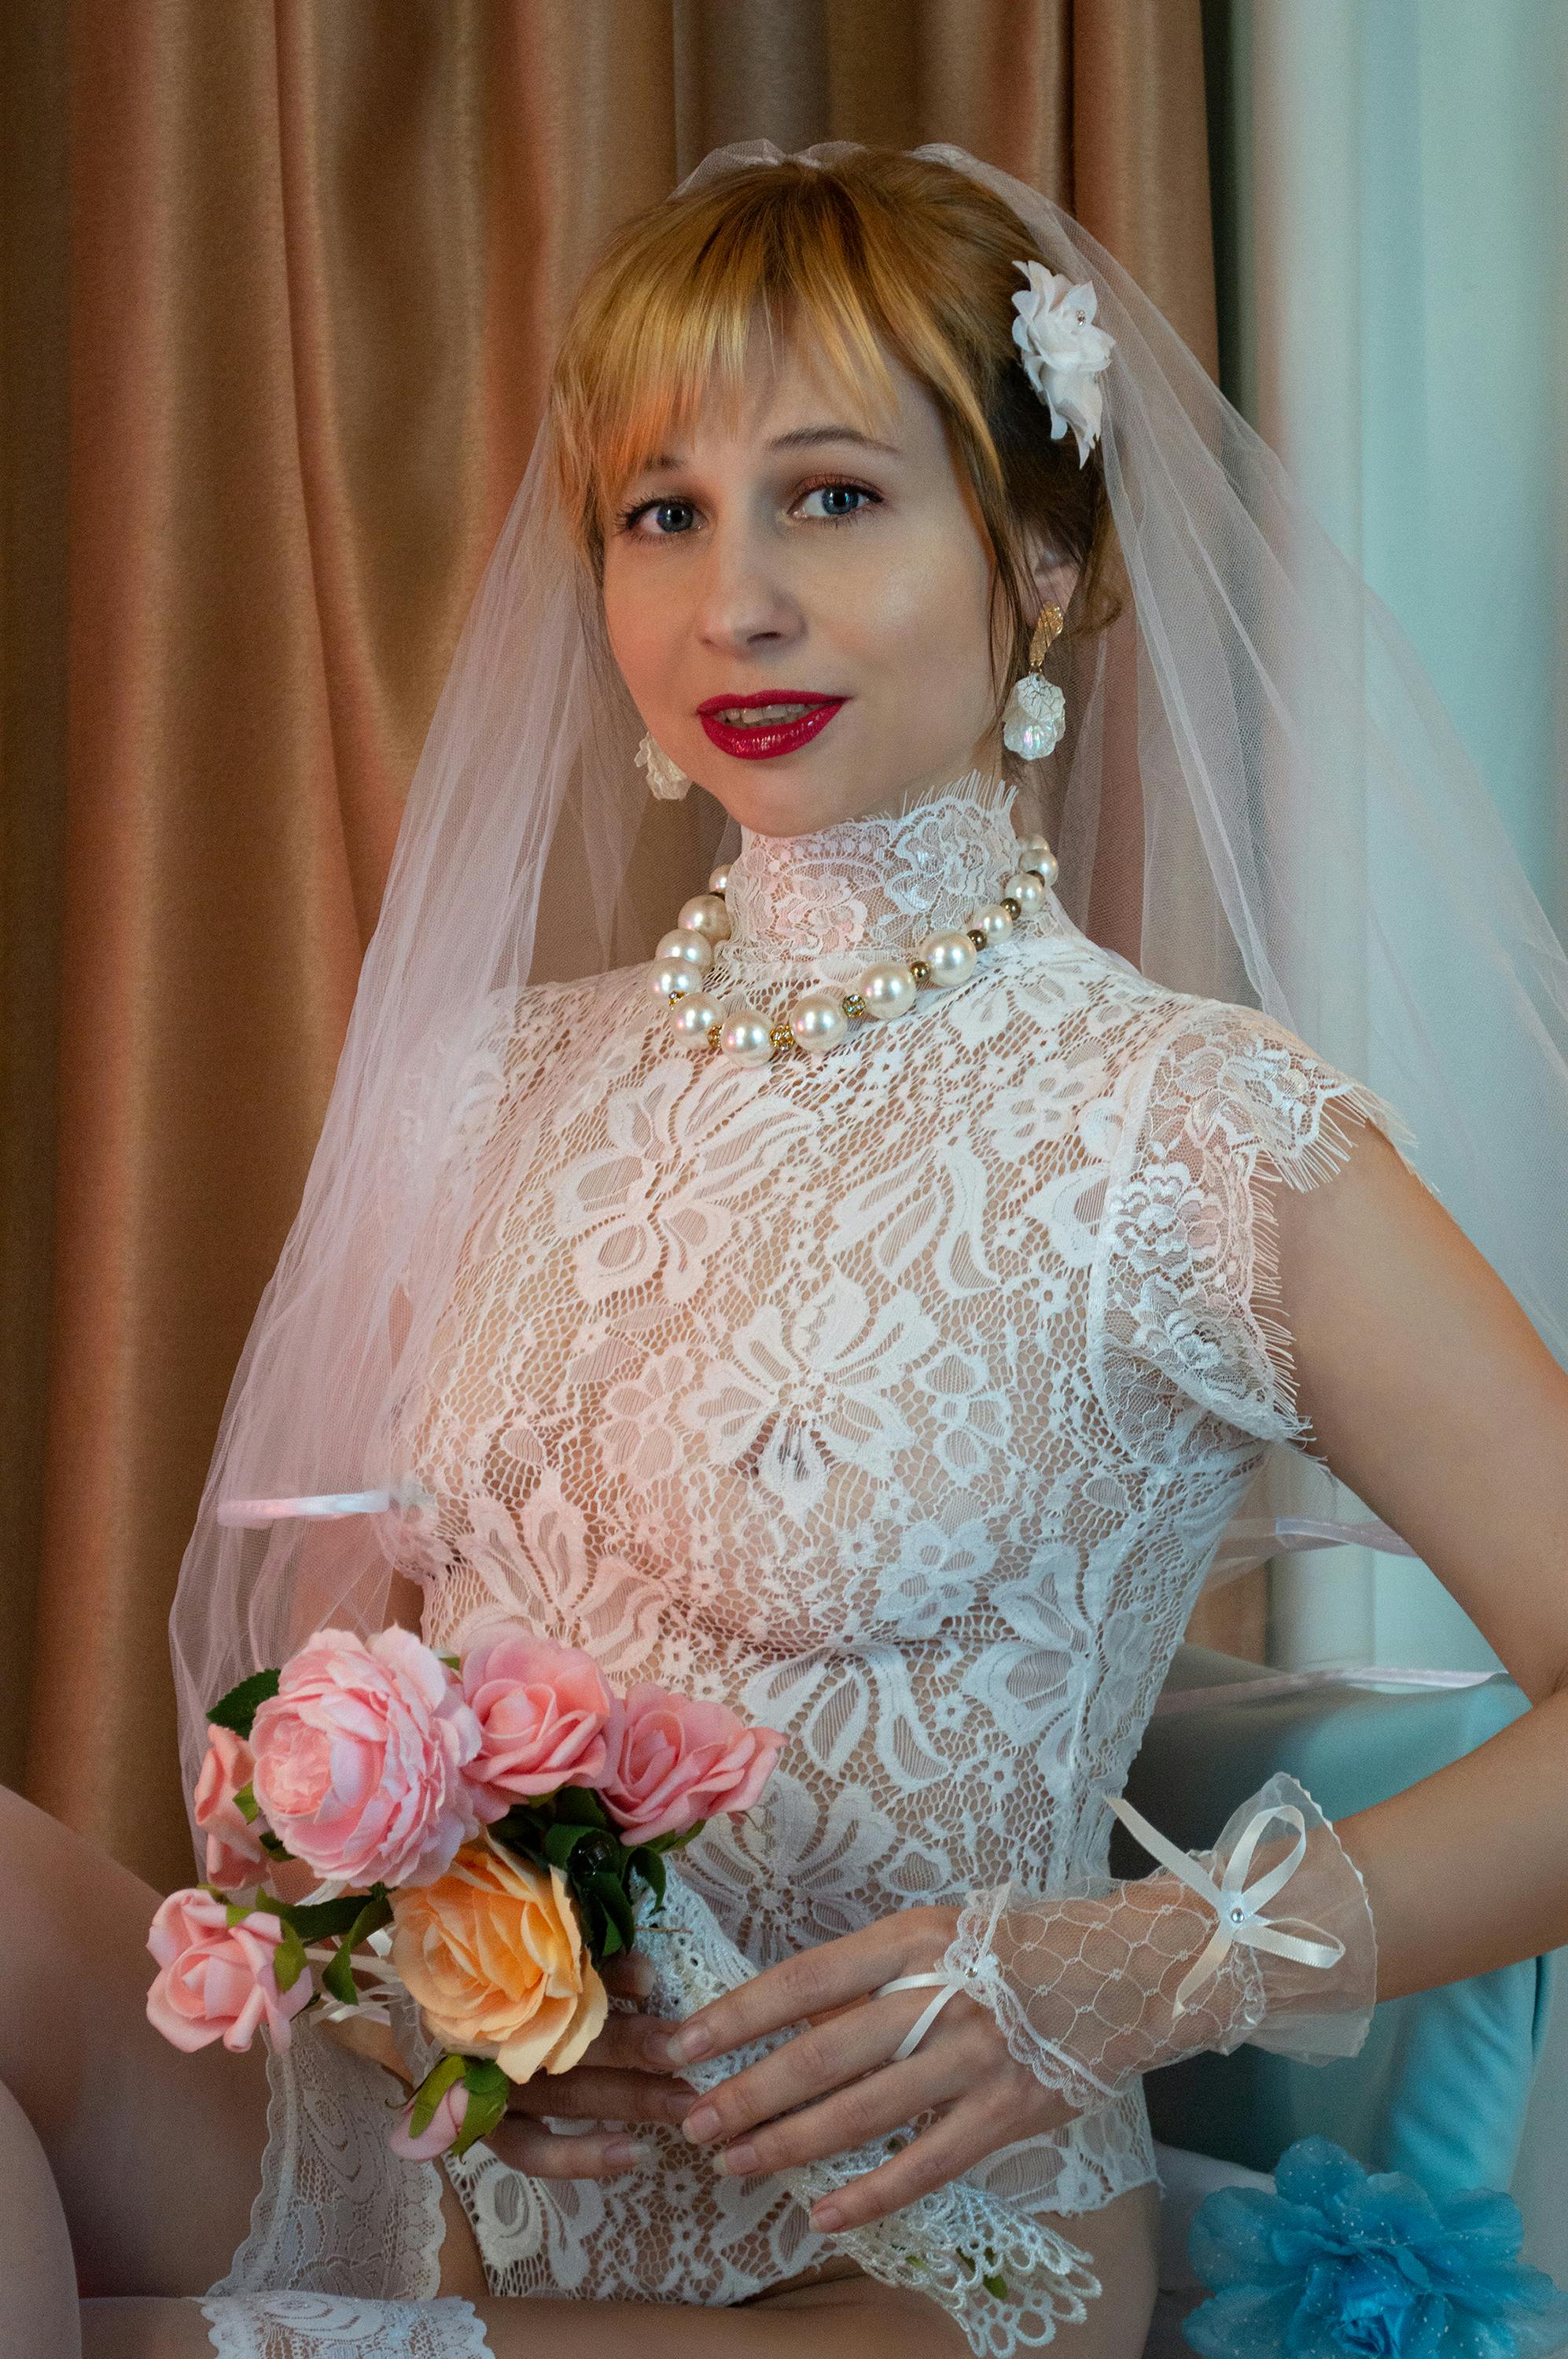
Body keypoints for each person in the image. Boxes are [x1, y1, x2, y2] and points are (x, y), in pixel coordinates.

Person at [5, 141, 1567, 2359]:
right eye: (664, 512)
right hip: (439, 2177)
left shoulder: (1196, 1133)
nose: (730, 598)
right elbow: (318, 1740)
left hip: (894, 2267)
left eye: (830, 495)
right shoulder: (487, 1086)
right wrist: (395, 1994)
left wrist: (1133, 1963)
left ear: (1036, 557)